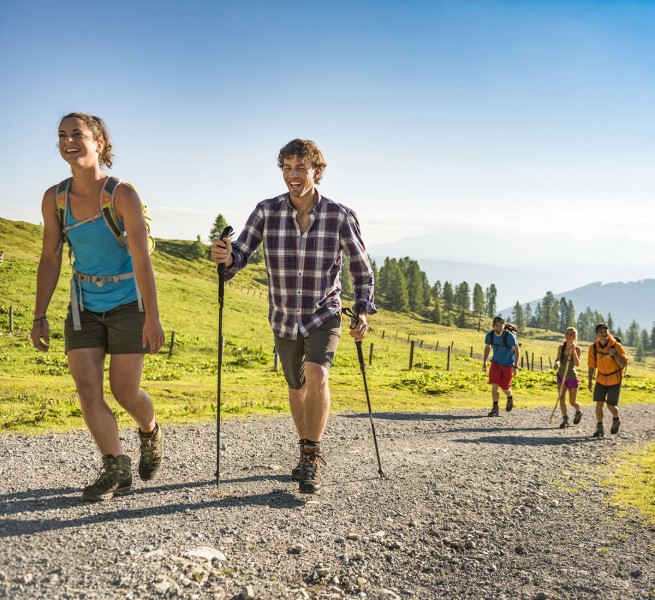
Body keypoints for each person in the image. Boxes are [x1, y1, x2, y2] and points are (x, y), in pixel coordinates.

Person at [211, 138, 376, 494]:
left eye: (301, 168)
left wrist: (362, 310)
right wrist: (225, 257)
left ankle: (312, 456)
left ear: (317, 171)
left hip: (323, 314)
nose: (293, 175)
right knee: (297, 387)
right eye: (287, 168)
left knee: (317, 376)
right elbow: (241, 252)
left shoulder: (339, 216)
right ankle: (304, 452)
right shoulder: (266, 211)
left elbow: (362, 270)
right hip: (284, 316)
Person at [30, 113, 165, 501]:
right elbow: (51, 257)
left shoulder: (122, 194)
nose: (68, 141)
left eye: (77, 134)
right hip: (83, 305)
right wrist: (39, 315)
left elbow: (142, 258)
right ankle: (115, 466)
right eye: (61, 135)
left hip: (127, 302)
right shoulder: (54, 198)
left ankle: (150, 430)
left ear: (100, 143)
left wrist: (152, 317)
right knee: (88, 389)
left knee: (125, 391)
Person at [588, 322, 628, 438]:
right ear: (597, 334)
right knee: (599, 404)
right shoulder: (593, 348)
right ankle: (599, 427)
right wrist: (590, 381)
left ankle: (616, 419)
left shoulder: (616, 346)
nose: (604, 333)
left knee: (611, 405)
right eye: (601, 331)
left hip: (615, 380)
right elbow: (591, 366)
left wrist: (614, 355)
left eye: (606, 331)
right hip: (600, 379)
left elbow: (623, 365)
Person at [482, 316, 520, 416]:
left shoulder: (509, 336)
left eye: (501, 325)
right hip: (496, 364)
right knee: (494, 386)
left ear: (504, 325)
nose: (499, 327)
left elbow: (517, 351)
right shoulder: (490, 335)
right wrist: (485, 362)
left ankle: (510, 397)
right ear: (493, 326)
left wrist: (515, 366)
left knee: (504, 387)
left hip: (508, 365)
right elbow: (487, 348)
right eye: (496, 325)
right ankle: (495, 408)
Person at [553, 327, 582, 428]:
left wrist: (573, 350)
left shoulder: (578, 349)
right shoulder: (561, 347)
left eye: (571, 334)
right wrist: (556, 364)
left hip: (572, 377)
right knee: (561, 398)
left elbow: (577, 364)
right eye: (567, 334)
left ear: (575, 337)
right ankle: (565, 419)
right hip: (561, 375)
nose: (569, 336)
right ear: (565, 335)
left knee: (572, 402)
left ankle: (578, 411)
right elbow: (558, 359)